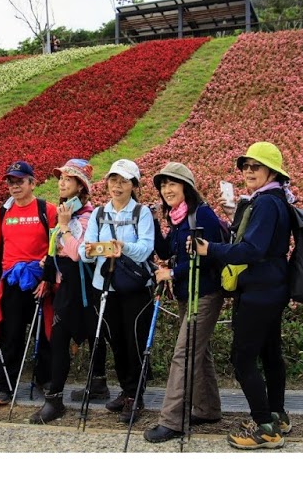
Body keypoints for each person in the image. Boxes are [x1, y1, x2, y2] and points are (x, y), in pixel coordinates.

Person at [195, 143, 294, 450]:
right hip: (274, 285)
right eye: (245, 167)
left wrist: (210, 249)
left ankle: (264, 427)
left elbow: (251, 250)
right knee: (270, 353)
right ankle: (277, 415)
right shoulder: (275, 199)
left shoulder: (265, 204)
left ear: (272, 172)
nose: (248, 172)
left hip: (259, 290)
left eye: (256, 166)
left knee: (243, 358)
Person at [144, 161, 228, 443]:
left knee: (184, 353)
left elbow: (208, 257)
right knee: (198, 351)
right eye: (163, 185)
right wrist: (153, 224)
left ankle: (172, 420)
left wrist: (172, 273)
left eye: (172, 184)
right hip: (185, 294)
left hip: (204, 294)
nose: (167, 190)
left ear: (187, 187)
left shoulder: (201, 214)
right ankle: (207, 408)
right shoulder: (178, 218)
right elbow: (166, 251)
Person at [80, 160, 156, 419]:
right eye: (113, 180)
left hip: (135, 288)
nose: (117, 186)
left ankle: (136, 395)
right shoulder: (99, 214)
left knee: (135, 340)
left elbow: (146, 248)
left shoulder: (142, 213)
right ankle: (126, 389)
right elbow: (85, 251)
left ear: (134, 185)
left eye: (124, 181)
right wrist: (92, 250)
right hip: (105, 286)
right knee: (116, 341)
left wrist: (123, 247)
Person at [31, 158, 98, 423]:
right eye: (61, 178)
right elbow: (56, 250)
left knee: (92, 336)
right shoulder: (64, 213)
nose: (61, 183)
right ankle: (56, 398)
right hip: (66, 287)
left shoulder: (88, 216)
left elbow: (77, 253)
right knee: (59, 339)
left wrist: (65, 226)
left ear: (81, 186)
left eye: (68, 179)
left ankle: (97, 384)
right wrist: (49, 271)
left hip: (84, 288)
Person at [0, 160, 53, 405]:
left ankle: (45, 380)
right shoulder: (2, 213)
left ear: (32, 183)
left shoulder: (46, 209)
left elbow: (56, 245)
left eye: (19, 181)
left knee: (43, 333)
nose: (14, 186)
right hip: (12, 280)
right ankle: (6, 386)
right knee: (10, 334)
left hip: (39, 280)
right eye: (11, 182)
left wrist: (48, 278)